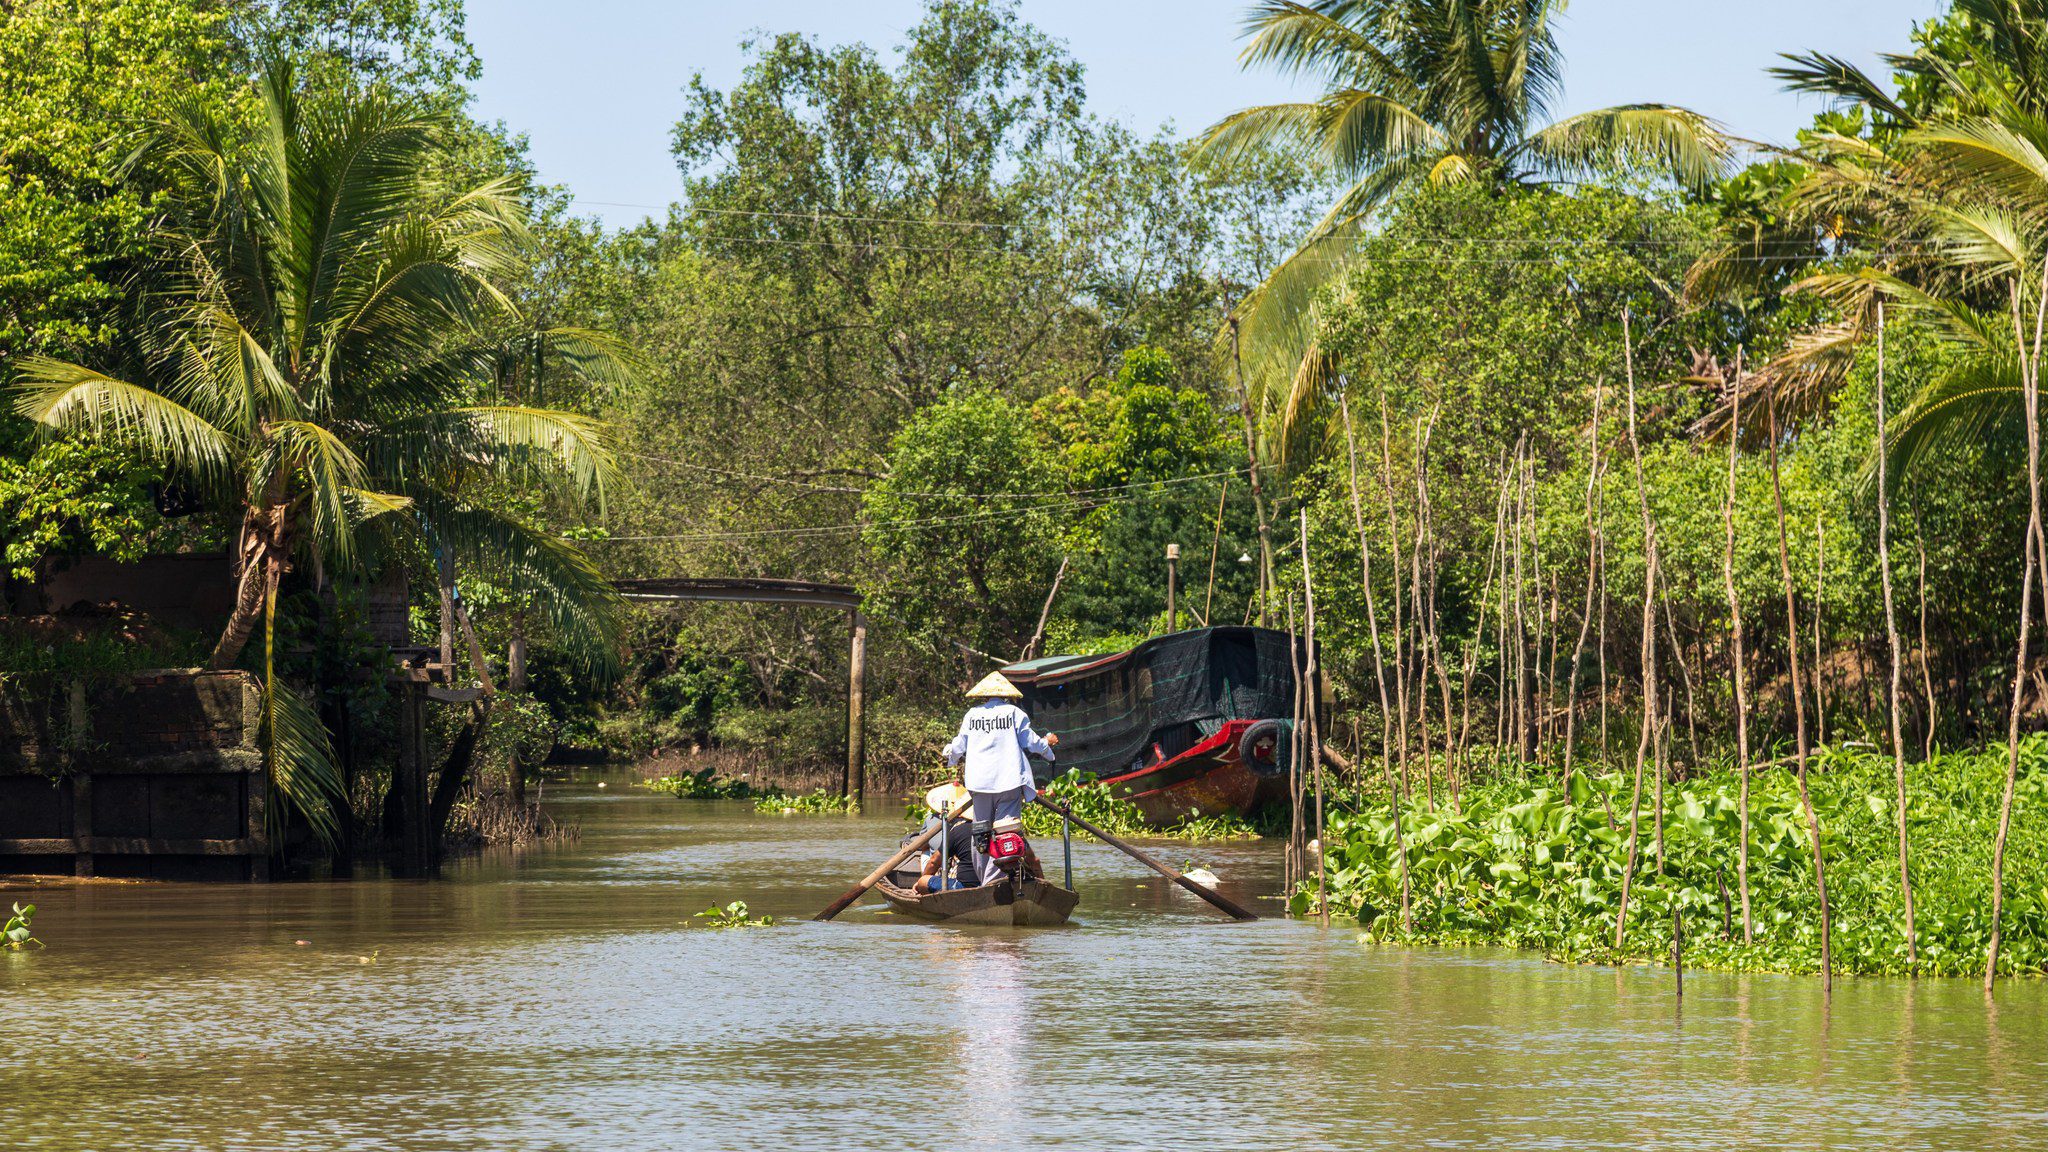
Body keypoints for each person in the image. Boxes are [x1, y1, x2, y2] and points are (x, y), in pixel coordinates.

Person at [942, 671, 1057, 885]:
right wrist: (1047, 745)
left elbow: (959, 745)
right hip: (1008, 780)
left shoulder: (972, 715)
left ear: (984, 695)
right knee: (1006, 831)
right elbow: (1031, 743)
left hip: (980, 783)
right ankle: (992, 882)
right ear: (1005, 694)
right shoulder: (1014, 713)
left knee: (980, 832)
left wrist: (949, 754)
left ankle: (983, 880)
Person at [913, 781, 976, 894]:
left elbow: (933, 862)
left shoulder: (958, 830)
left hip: (963, 886)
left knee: (923, 880)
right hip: (989, 882)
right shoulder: (994, 828)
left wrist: (921, 882)